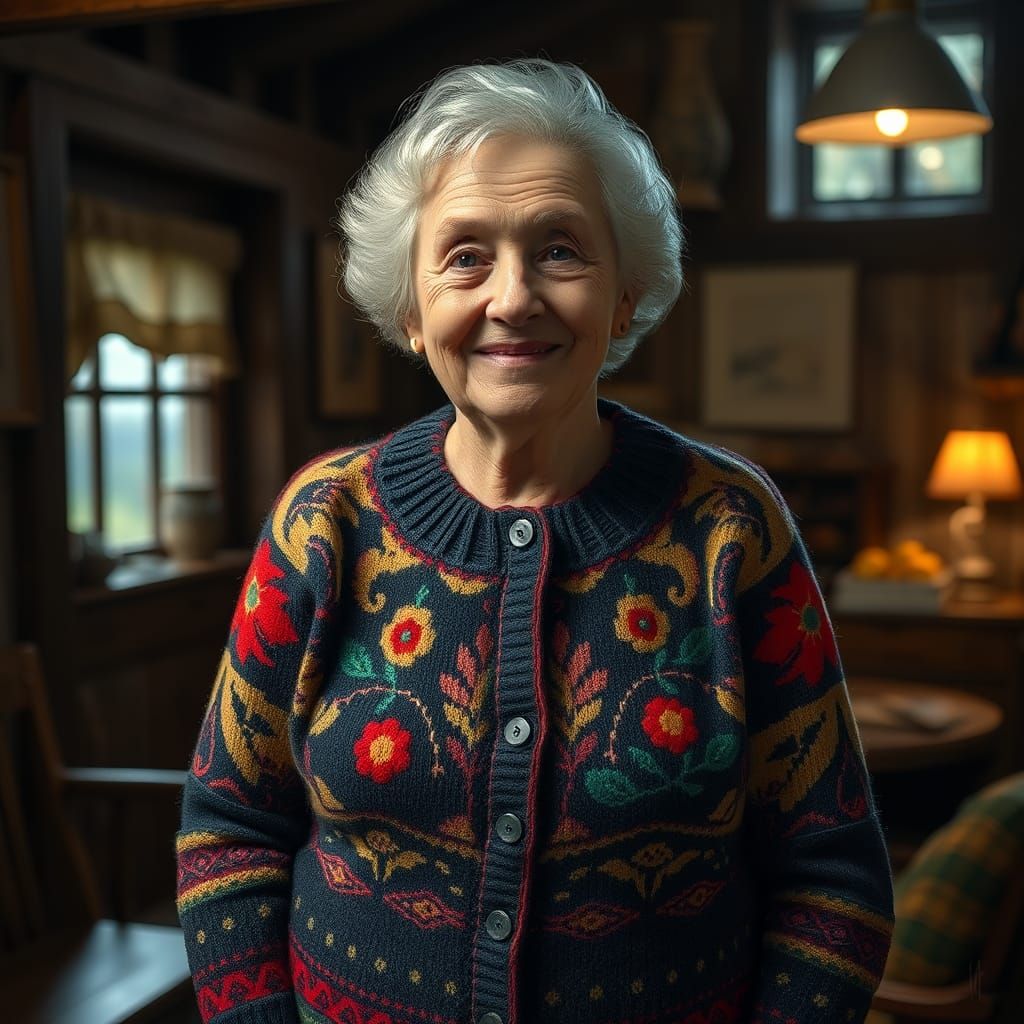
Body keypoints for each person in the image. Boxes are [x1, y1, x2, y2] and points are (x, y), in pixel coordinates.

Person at [176, 59, 894, 1024]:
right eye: (465, 256)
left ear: (628, 294)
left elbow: (833, 877)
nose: (513, 297)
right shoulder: (323, 522)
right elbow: (228, 829)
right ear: (409, 306)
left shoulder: (732, 528)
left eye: (561, 251)